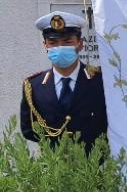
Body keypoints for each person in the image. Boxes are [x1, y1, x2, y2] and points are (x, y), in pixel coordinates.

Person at [19, 11, 107, 155]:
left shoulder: (101, 81)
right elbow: (28, 129)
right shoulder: (33, 86)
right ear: (45, 45)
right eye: (53, 43)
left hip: (94, 164)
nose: (59, 47)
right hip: (53, 164)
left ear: (80, 44)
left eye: (67, 42)